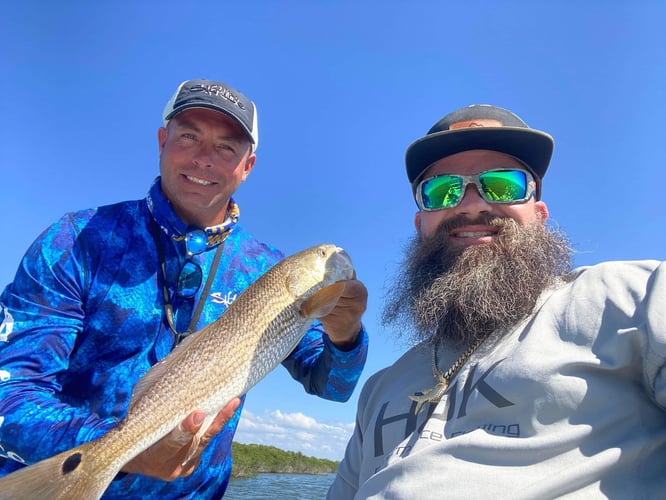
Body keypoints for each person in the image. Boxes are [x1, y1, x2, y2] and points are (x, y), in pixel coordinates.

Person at [0, 78, 368, 498]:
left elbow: (333, 387)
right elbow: (9, 388)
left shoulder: (264, 268)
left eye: (227, 147)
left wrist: (346, 333)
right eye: (189, 136)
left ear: (247, 166)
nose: (204, 158)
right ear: (162, 140)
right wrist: (119, 450)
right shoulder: (76, 239)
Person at [327, 104, 666, 498]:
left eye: (503, 185)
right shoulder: (378, 390)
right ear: (421, 225)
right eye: (442, 190)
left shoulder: (632, 298)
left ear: (538, 213)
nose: (472, 204)